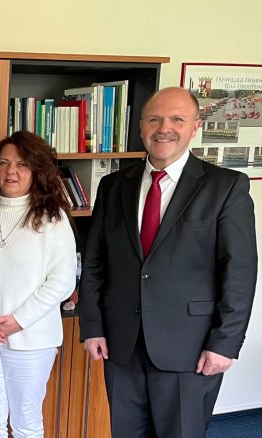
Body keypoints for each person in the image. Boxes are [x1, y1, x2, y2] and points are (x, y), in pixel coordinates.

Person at [78, 87, 257, 437]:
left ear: (195, 127)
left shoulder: (225, 187)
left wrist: (224, 343)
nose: (165, 128)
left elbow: (239, 272)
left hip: (190, 346)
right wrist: (93, 325)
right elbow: (96, 262)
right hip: (121, 344)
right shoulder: (114, 186)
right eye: (155, 119)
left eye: (177, 119)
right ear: (141, 126)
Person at [0, 131, 76, 438]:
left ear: (37, 171)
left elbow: (61, 281)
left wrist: (17, 322)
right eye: (4, 163)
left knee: (25, 422)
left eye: (22, 164)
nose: (11, 171)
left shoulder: (53, 219)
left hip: (32, 339)